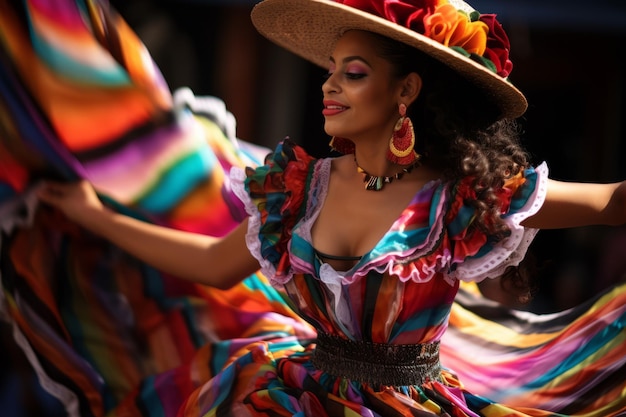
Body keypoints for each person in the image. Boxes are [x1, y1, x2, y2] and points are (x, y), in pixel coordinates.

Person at [6, 0, 626, 416]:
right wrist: (95, 214)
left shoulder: (462, 198)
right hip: (297, 397)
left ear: (406, 91)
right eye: (330, 69)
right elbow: (213, 265)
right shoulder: (298, 187)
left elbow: (611, 202)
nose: (328, 84)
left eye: (352, 73)